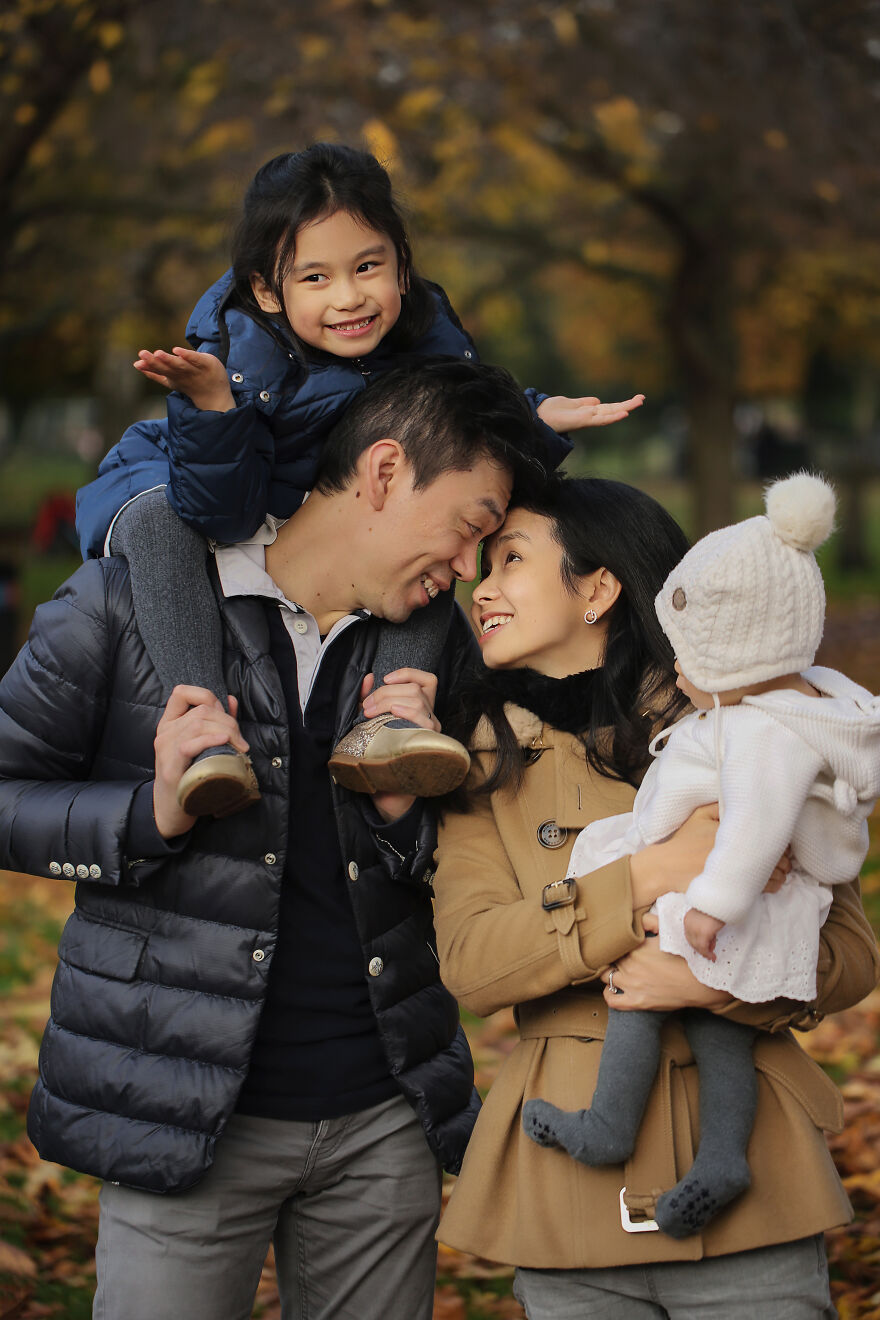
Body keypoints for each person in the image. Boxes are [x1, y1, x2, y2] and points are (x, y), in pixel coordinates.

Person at [0, 359, 546, 1320]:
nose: (469, 567)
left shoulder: (439, 647)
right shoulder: (123, 603)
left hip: (386, 1125)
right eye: (470, 526)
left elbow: (474, 858)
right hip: (179, 1119)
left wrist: (405, 817)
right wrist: (151, 815)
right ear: (383, 472)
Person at [76, 141, 643, 818]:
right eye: (315, 278)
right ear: (266, 289)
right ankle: (203, 727)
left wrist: (534, 415)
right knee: (159, 525)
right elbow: (219, 513)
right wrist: (215, 411)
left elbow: (459, 436)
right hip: (203, 478)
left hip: (310, 510)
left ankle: (392, 724)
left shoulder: (427, 335)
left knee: (434, 556)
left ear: (402, 267)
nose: (350, 298)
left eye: (368, 266)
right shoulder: (241, 360)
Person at [432, 475, 880, 1317]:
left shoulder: (751, 727)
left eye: (511, 560)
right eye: (482, 566)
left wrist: (713, 988)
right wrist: (647, 877)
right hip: (568, 1205)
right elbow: (473, 966)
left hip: (755, 1194)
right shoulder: (478, 765)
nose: (480, 587)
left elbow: (852, 957)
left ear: (597, 586)